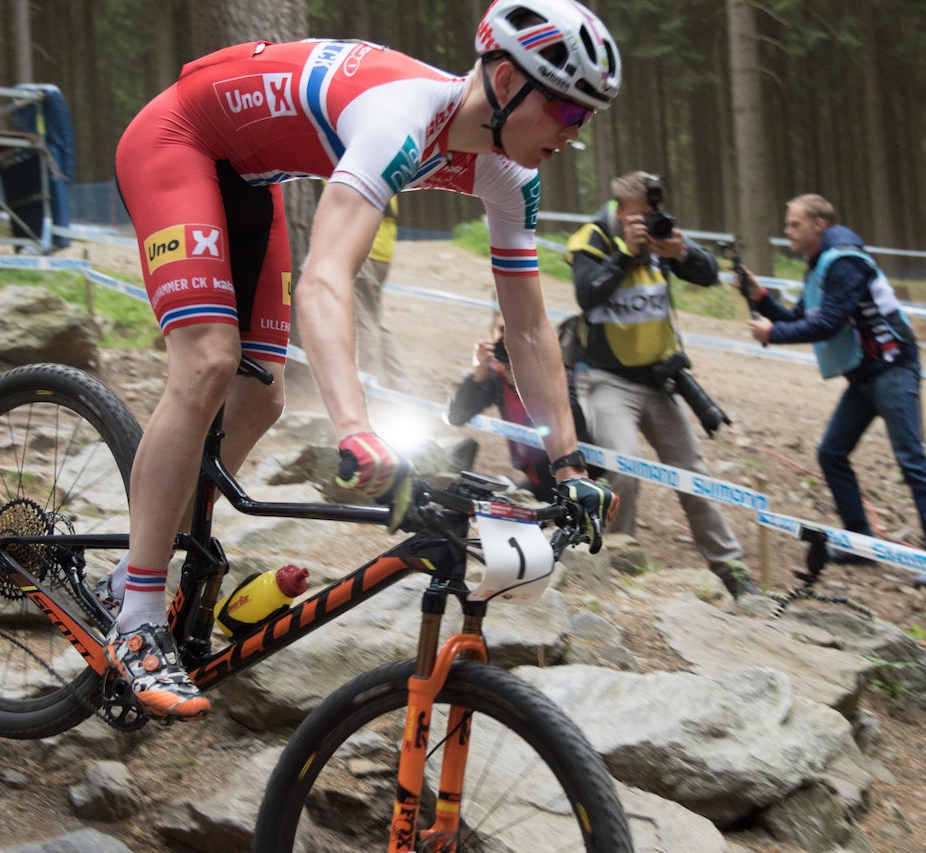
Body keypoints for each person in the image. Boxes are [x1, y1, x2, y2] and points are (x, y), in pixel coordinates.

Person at [105, 0, 623, 721]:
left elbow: (531, 331)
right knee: (208, 364)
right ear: (505, 80)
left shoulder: (510, 175)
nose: (576, 135)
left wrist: (570, 465)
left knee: (261, 397)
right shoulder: (400, 119)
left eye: (587, 120)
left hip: (252, 177)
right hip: (177, 140)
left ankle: (141, 554)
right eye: (569, 113)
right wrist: (355, 426)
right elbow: (325, 278)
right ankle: (134, 618)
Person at [743, 193, 926, 589]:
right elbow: (799, 317)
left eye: (794, 225)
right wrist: (761, 298)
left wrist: (773, 334)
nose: (787, 231)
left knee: (911, 460)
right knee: (831, 454)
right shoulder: (820, 264)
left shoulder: (844, 262)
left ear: (818, 225)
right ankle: (860, 542)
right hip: (864, 376)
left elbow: (827, 323)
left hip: (894, 369)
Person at [565, 171, 751, 596]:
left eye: (656, 214)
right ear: (622, 209)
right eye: (643, 215)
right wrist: (626, 254)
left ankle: (732, 571)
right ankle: (615, 560)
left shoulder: (661, 239)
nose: (651, 222)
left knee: (692, 473)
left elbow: (707, 275)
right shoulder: (593, 238)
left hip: (659, 380)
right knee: (624, 469)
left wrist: (681, 251)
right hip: (608, 379)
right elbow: (586, 295)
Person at [446, 313, 558, 500]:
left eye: (517, 331)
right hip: (537, 482)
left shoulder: (555, 375)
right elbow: (455, 417)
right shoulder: (497, 379)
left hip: (565, 482)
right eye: (503, 331)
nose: (509, 338)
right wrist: (479, 374)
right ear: (492, 339)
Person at [353, 195, 405, 385]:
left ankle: (370, 385)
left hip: (363, 248)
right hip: (381, 252)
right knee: (373, 319)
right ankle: (400, 382)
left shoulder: (349, 165)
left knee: (363, 322)